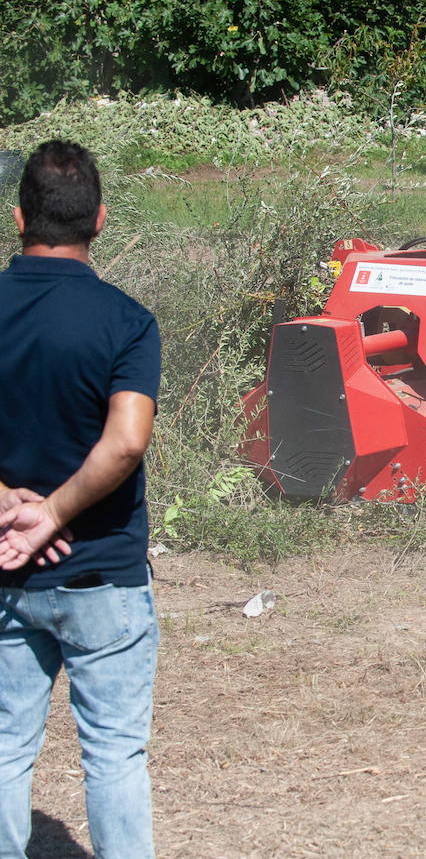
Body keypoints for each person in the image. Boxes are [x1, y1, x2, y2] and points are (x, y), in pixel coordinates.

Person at [0, 141, 162, 859]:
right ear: (99, 218)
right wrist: (55, 513)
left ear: (17, 217)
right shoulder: (126, 321)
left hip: (5, 571)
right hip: (103, 574)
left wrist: (11, 505)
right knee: (113, 755)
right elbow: (126, 443)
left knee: (4, 750)